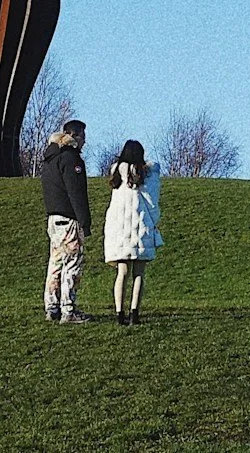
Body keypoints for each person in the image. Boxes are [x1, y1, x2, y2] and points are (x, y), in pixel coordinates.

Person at [102, 140, 161, 325]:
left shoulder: (117, 175)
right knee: (139, 274)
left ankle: (119, 313)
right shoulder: (146, 174)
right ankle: (134, 312)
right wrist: (155, 222)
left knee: (122, 273)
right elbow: (152, 202)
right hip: (140, 227)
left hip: (119, 230)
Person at [38, 118, 91, 324]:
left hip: (53, 218)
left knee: (55, 264)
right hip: (69, 219)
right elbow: (76, 192)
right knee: (72, 265)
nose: (85, 141)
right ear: (75, 136)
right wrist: (84, 221)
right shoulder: (71, 159)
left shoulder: (50, 159)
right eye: (83, 136)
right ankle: (69, 309)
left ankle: (52, 307)